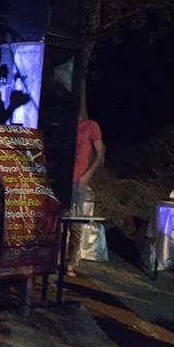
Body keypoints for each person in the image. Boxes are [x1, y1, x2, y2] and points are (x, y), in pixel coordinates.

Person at [67, 115, 106, 274]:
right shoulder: (66, 124)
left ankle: (71, 262)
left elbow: (100, 154)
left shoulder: (90, 125)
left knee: (76, 224)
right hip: (64, 179)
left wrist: (88, 175)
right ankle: (54, 258)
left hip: (79, 180)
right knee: (59, 220)